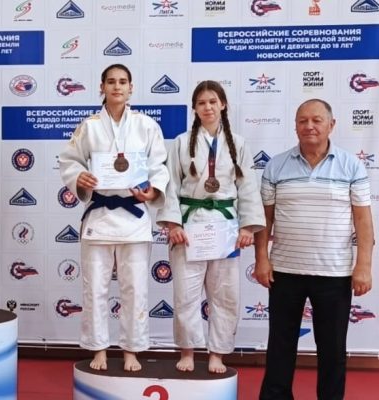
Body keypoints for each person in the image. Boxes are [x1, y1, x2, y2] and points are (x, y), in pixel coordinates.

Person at [255, 99, 374, 399]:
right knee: (280, 346)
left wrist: (363, 266)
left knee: (333, 350)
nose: (309, 126)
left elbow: (363, 220)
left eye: (317, 120)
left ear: (331, 125)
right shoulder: (276, 165)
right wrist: (261, 259)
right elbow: (264, 220)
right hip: (284, 271)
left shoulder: (351, 165)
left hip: (334, 273)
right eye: (303, 120)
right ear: (295, 126)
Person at [59, 64, 169, 371]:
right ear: (102, 87)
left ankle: (132, 350)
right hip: (100, 216)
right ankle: (99, 349)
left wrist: (152, 189)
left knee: (135, 288)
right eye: (111, 82)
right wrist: (79, 177)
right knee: (95, 288)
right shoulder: (89, 126)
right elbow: (69, 161)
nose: (117, 87)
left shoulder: (146, 125)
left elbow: (159, 166)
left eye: (122, 82)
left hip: (134, 217)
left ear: (131, 88)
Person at [157, 80, 265, 374]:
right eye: (202, 103)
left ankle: (217, 353)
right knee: (186, 294)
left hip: (225, 227)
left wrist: (247, 228)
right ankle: (188, 351)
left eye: (213, 102)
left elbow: (247, 187)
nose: (208, 107)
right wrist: (173, 223)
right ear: (194, 108)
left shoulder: (238, 143)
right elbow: (171, 185)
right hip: (189, 226)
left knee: (225, 295)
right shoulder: (181, 142)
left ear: (223, 105)